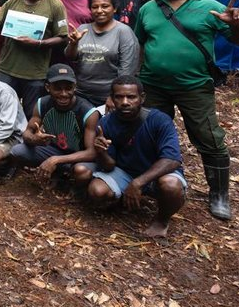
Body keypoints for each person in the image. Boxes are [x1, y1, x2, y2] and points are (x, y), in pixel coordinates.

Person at [134, 0, 239, 220]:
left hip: (194, 86)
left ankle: (219, 195)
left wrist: (237, 25)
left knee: (209, 138)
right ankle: (156, 184)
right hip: (153, 85)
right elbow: (140, 42)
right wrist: (137, 77)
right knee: (150, 134)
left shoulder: (210, 7)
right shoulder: (149, 9)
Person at [73, 76, 187, 238]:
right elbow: (109, 166)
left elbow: (172, 159)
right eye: (119, 97)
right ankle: (121, 200)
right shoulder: (106, 123)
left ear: (142, 98)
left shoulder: (159, 120)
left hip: (156, 173)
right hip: (126, 171)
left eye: (131, 97)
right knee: (97, 191)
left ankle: (162, 221)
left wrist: (138, 182)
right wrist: (101, 151)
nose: (125, 102)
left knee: (171, 185)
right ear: (112, 99)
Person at [10, 65, 99, 184]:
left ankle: (73, 185)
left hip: (79, 157)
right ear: (48, 87)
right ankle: (57, 173)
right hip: (55, 150)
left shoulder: (88, 112)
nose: (64, 94)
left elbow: (92, 152)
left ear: (75, 87)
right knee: (18, 151)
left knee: (81, 171)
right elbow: (27, 133)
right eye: (57, 89)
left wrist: (55, 160)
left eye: (68, 88)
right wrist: (34, 139)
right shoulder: (42, 104)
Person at [65, 0, 139, 107]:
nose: (99, 11)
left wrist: (114, 96)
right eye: (95, 7)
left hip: (108, 97)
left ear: (114, 8)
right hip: (80, 94)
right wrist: (73, 44)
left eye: (105, 6)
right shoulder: (82, 29)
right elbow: (70, 57)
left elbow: (127, 70)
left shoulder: (124, 32)